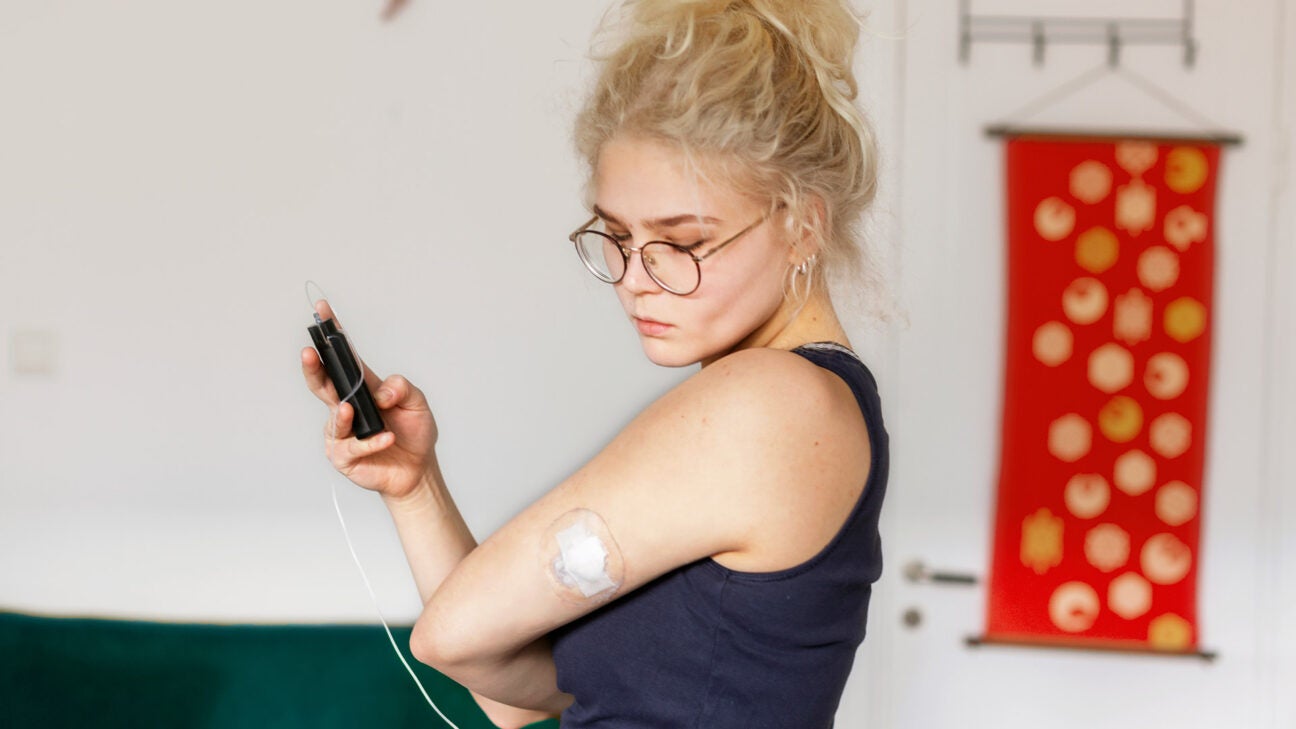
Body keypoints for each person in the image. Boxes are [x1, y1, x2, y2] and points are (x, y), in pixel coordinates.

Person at [301, 0, 890, 726]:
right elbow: (507, 694)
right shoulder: (806, 408)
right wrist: (414, 485)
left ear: (804, 224)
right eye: (615, 235)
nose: (635, 277)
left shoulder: (770, 404)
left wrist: (466, 626)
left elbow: (451, 632)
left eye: (681, 241)